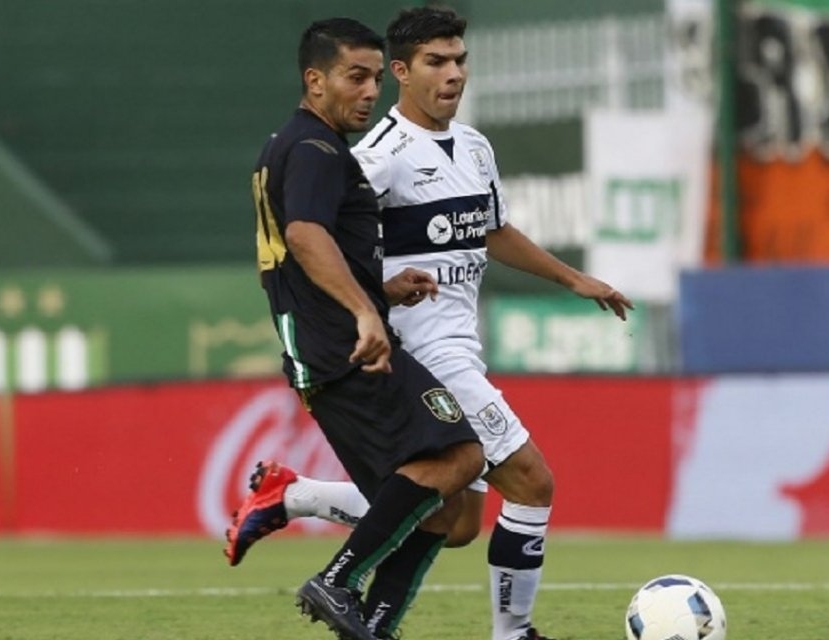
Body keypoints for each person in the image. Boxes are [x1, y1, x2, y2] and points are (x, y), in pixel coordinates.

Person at [227, 7, 632, 640]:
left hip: (460, 345)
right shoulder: (374, 156)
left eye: (460, 60)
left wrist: (572, 278)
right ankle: (514, 632)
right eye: (436, 62)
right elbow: (317, 237)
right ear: (402, 72)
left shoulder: (474, 147)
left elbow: (492, 230)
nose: (454, 74)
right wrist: (368, 308)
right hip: (420, 350)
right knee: (530, 481)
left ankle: (296, 498)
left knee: (455, 521)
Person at [227, 16, 486, 640]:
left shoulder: (290, 146)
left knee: (437, 505)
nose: (370, 92)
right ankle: (337, 580)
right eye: (355, 77)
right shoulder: (316, 150)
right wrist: (365, 311)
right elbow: (305, 236)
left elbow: (304, 251)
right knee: (461, 456)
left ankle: (374, 625)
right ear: (315, 81)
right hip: (346, 349)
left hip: (327, 347)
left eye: (374, 78)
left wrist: (380, 289)